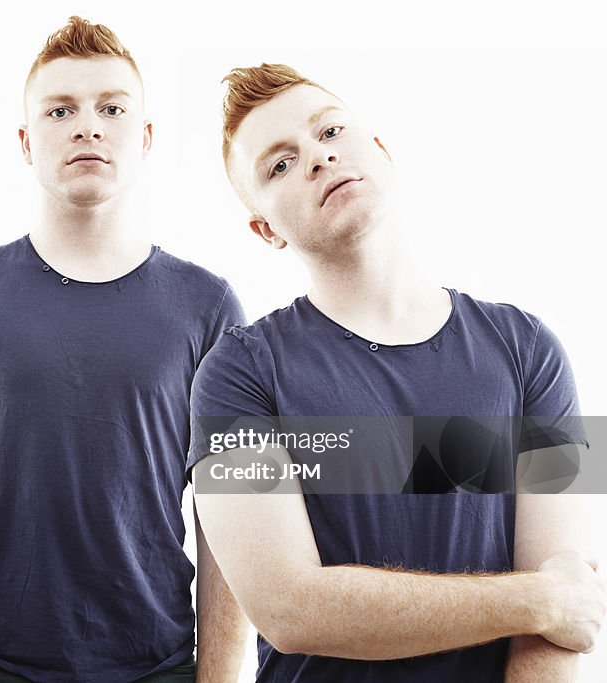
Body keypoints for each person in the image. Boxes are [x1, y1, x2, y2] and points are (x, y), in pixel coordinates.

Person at [188, 63, 606, 681]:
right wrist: (530, 600)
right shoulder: (233, 377)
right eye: (279, 164)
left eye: (330, 132)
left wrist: (552, 602)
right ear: (265, 229)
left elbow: (568, 605)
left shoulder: (532, 351)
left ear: (380, 149)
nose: (318, 159)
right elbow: (288, 609)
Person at [0, 16, 249, 683]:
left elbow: (229, 513)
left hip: (154, 663)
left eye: (111, 108)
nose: (88, 126)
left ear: (143, 138)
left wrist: (220, 677)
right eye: (61, 111)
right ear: (26, 142)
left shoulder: (209, 306)